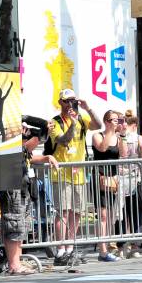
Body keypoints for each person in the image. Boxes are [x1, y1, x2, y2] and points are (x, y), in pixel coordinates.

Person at [0, 116, 59, 275]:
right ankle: (14, 265)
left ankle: (18, 261)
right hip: (10, 183)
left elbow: (27, 153)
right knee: (14, 223)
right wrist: (37, 134)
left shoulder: (21, 139)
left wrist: (45, 156)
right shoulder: (5, 134)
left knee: (22, 225)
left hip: (24, 184)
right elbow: (24, 146)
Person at [49, 88, 102, 266]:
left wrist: (88, 108)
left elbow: (98, 125)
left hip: (79, 172)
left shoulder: (81, 118)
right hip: (61, 173)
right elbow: (63, 140)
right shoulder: (55, 121)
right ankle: (60, 250)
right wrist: (72, 123)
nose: (70, 104)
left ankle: (70, 248)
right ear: (60, 102)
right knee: (63, 212)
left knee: (77, 212)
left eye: (73, 100)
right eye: (67, 101)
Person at [90, 109, 123, 262]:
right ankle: (102, 251)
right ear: (106, 121)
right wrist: (110, 131)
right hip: (101, 178)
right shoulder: (98, 135)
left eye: (117, 120)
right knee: (102, 215)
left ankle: (108, 246)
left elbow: (124, 153)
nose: (115, 122)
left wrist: (121, 136)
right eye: (112, 120)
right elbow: (102, 148)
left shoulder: (117, 137)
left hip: (113, 180)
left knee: (110, 216)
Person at [117, 110, 142, 258]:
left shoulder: (138, 138)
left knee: (136, 212)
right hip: (119, 179)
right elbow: (122, 154)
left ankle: (135, 245)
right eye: (122, 121)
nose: (124, 124)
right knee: (121, 214)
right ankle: (121, 246)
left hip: (134, 178)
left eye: (126, 122)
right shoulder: (117, 137)